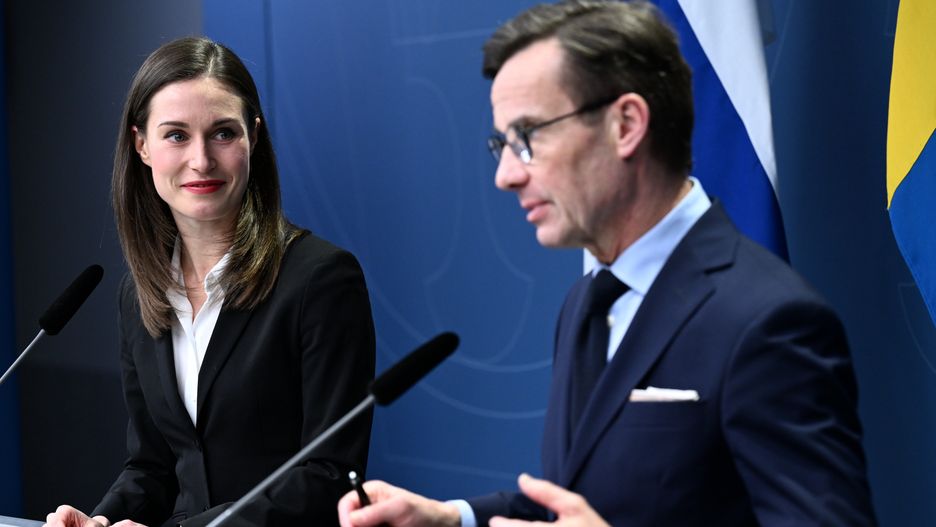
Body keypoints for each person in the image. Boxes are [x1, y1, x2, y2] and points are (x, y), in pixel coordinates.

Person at [338, 1, 876, 526]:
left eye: (527, 137)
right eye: (501, 142)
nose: (505, 175)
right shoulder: (589, 301)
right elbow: (580, 499)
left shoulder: (767, 320)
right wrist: (449, 518)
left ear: (626, 124)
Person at [45, 37, 376, 527]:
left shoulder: (321, 279)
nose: (201, 160)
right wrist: (101, 521)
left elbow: (329, 475)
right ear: (141, 145)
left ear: (254, 138)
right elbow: (153, 468)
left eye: (223, 133)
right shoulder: (139, 295)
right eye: (176, 135)